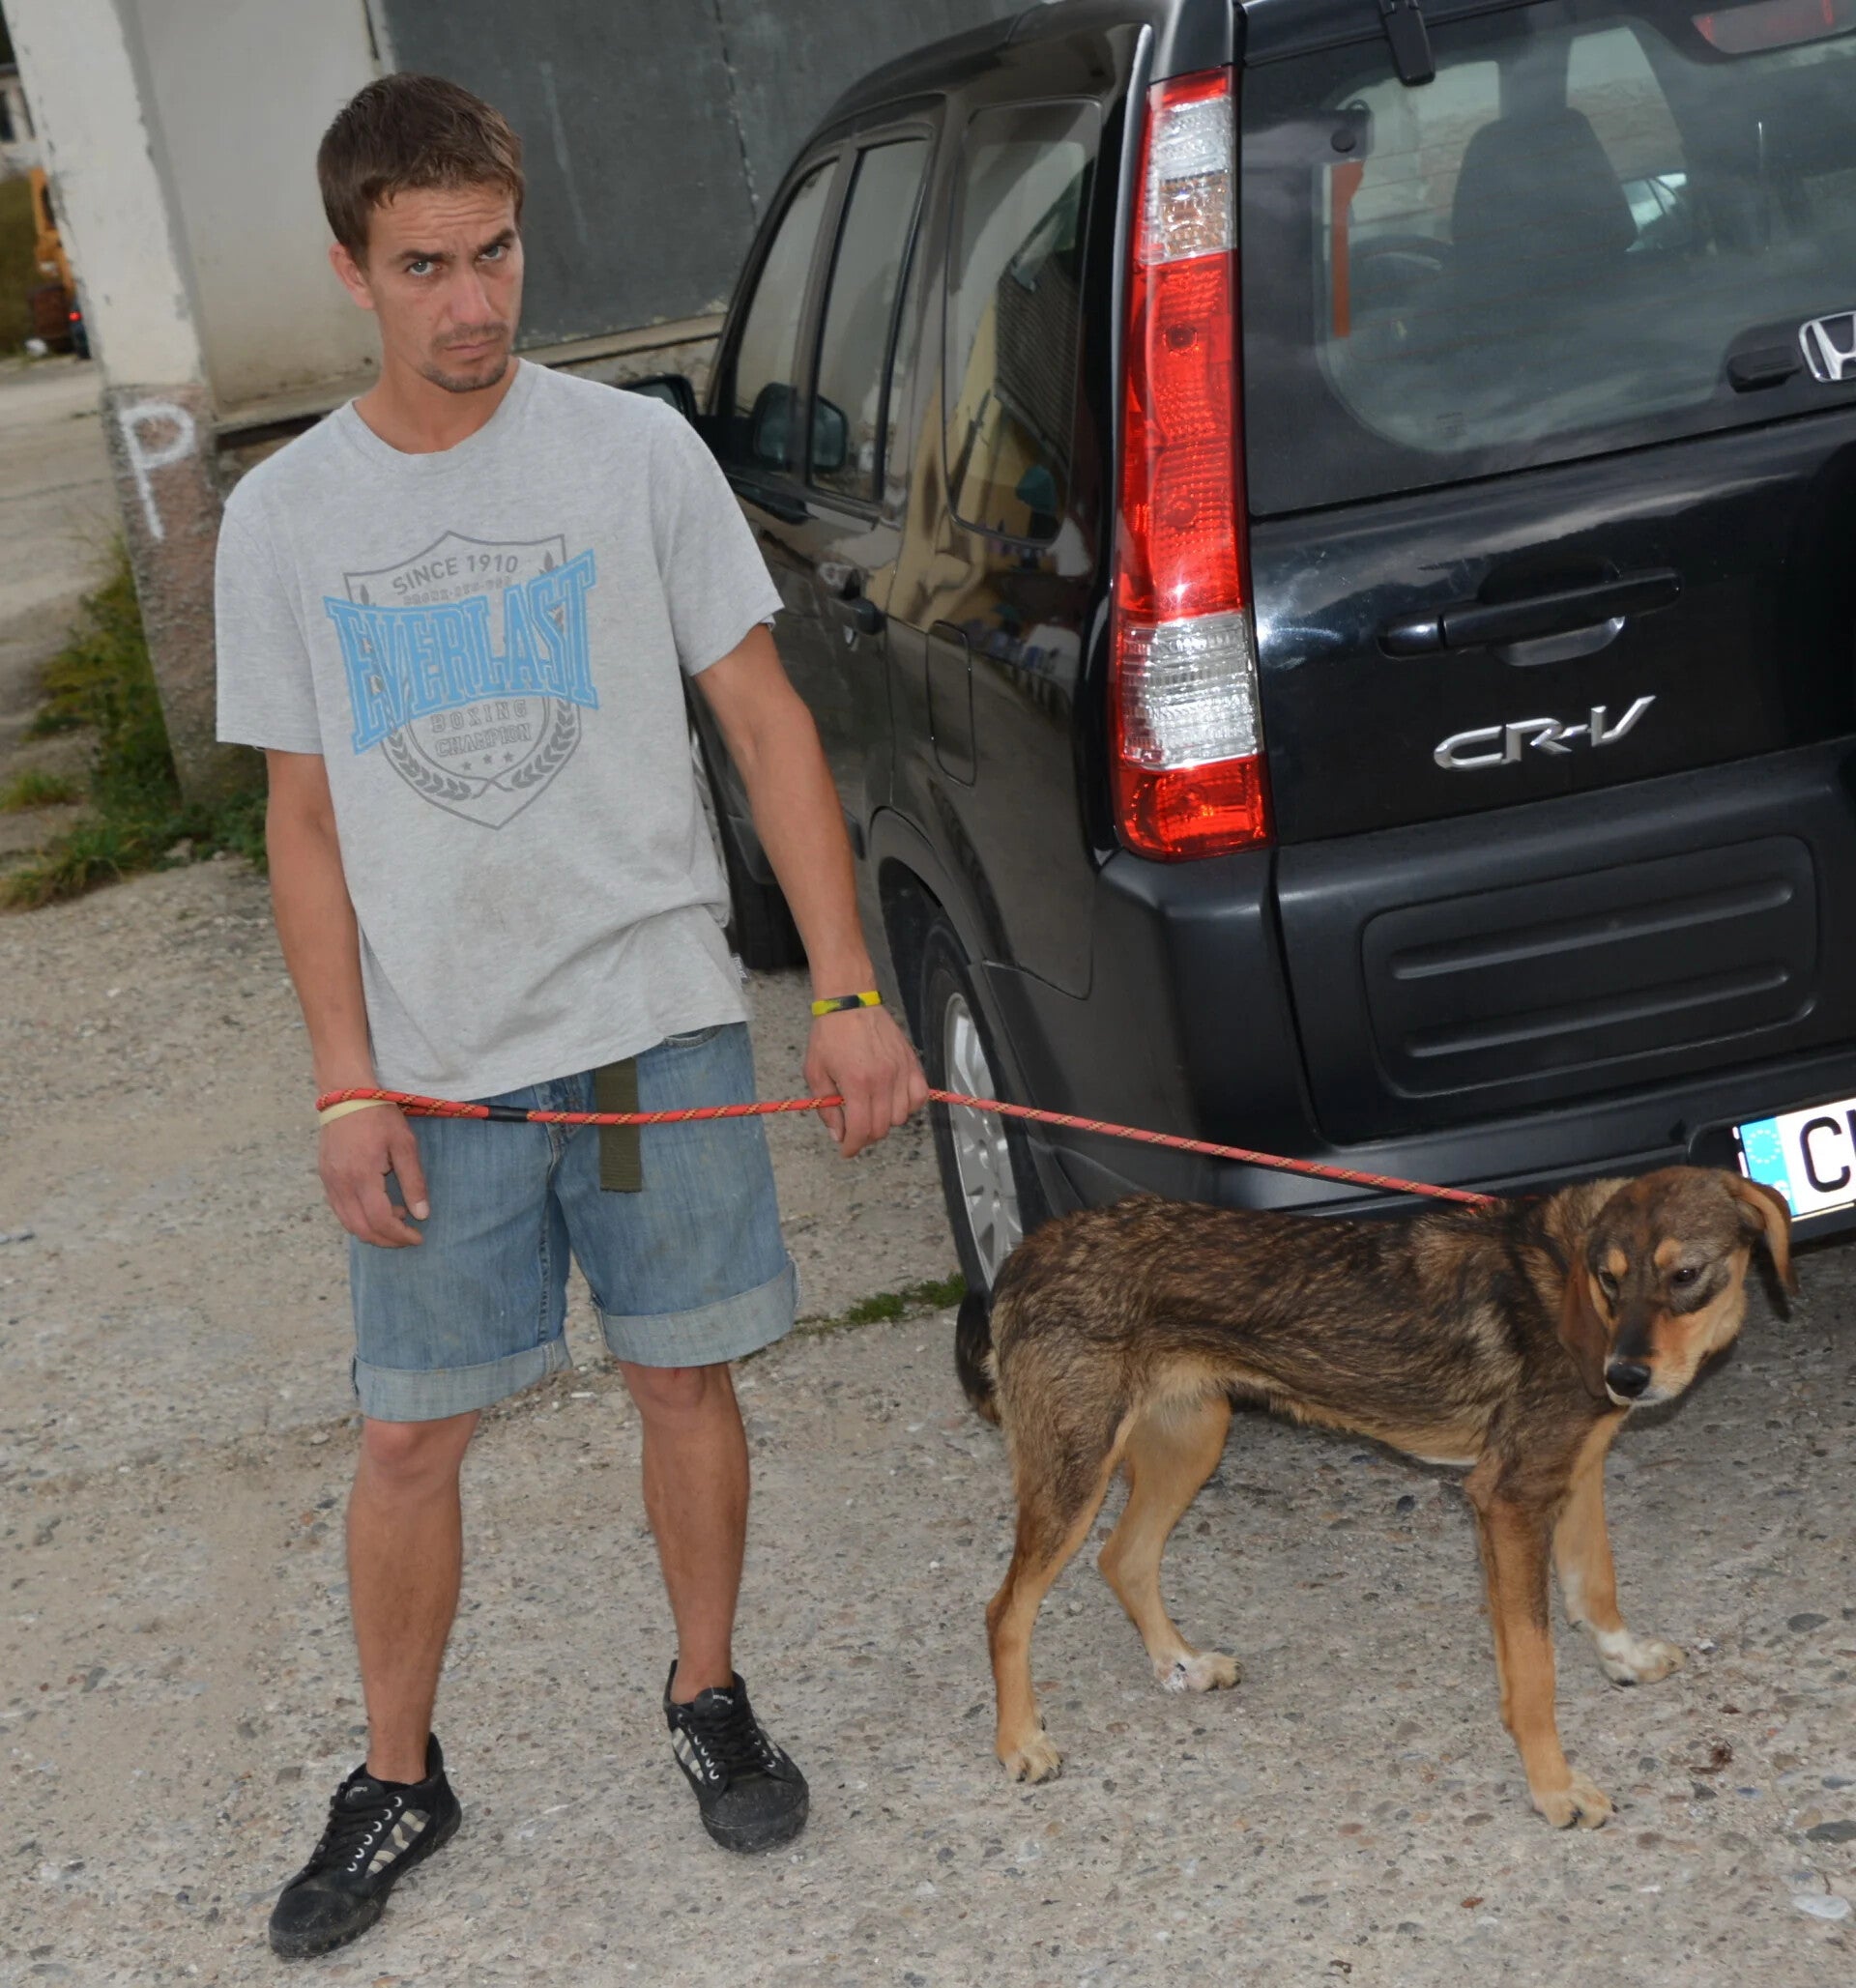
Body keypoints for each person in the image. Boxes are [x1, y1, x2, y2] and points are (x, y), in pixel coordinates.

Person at [215, 72, 928, 1962]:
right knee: (408, 1438)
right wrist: (344, 1083)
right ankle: (397, 1774)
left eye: (498, 254)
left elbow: (766, 720)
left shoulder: (634, 457)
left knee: (682, 1377)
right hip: (438, 1070)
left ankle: (708, 1691)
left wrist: (849, 988)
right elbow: (304, 826)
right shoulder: (285, 519)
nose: (473, 303)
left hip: (640, 1025)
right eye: (425, 267)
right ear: (353, 269)